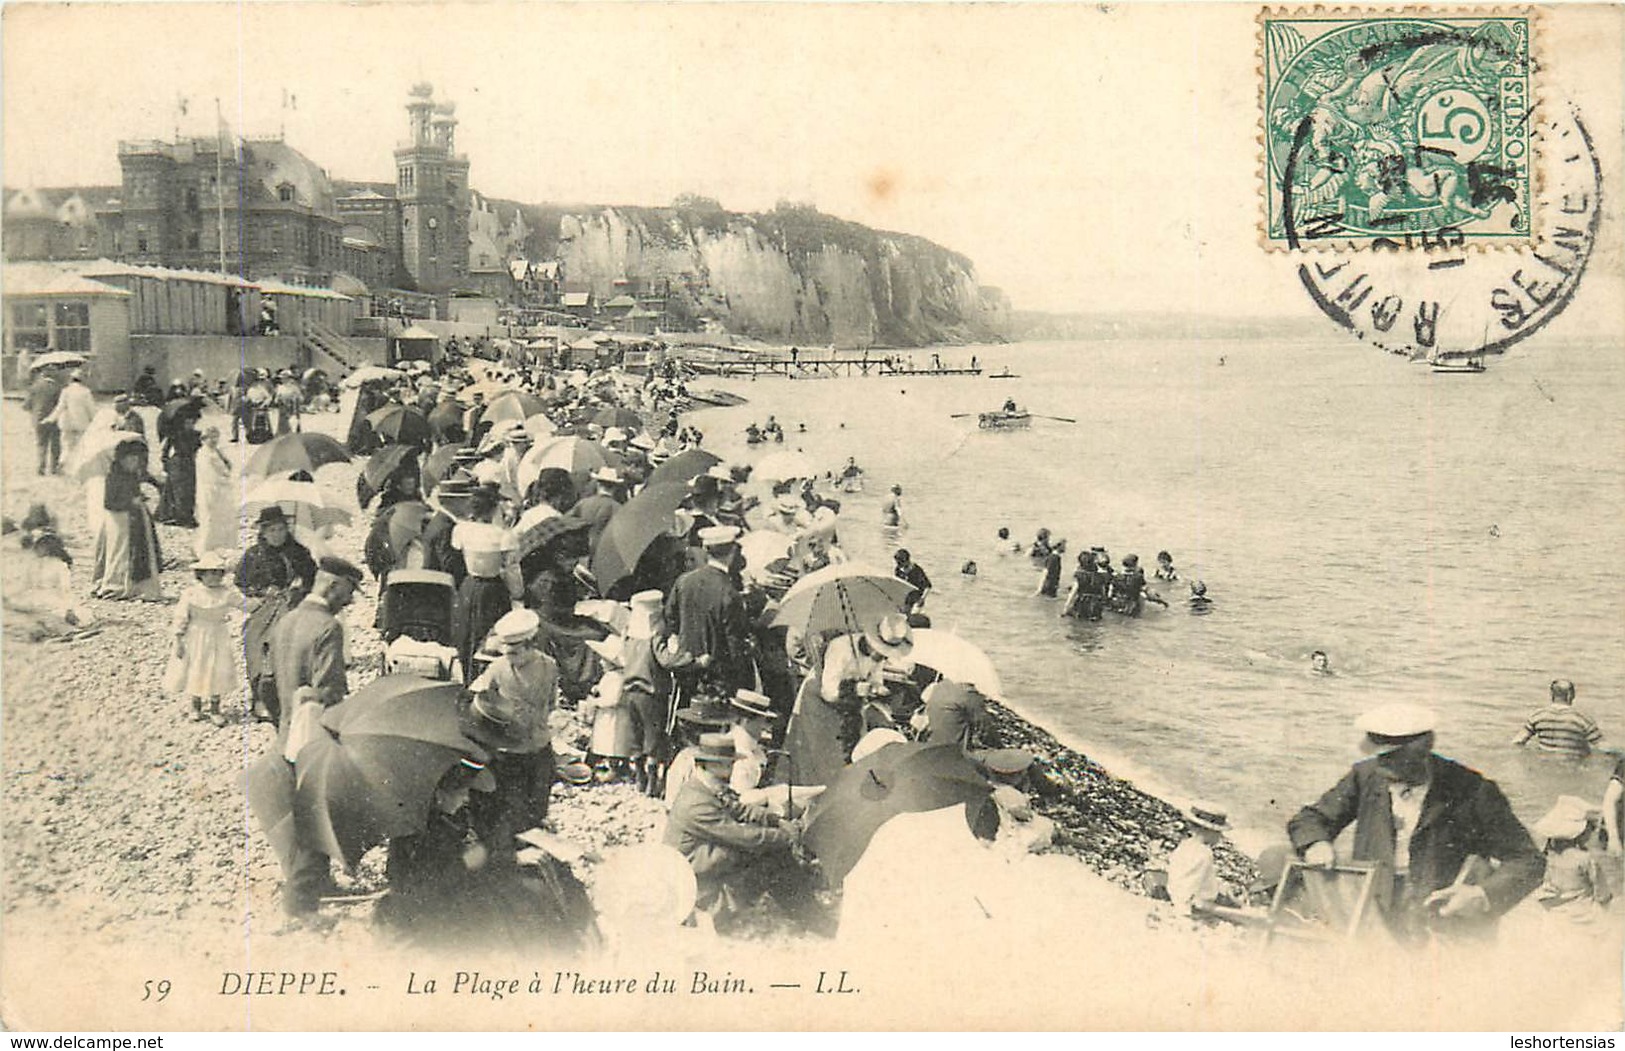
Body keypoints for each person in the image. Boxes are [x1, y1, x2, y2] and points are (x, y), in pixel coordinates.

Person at [1287, 702, 1545, 942]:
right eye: (1378, 756)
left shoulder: (1472, 790)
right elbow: (1311, 818)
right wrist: (1316, 844)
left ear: (1424, 746)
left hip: (1444, 921)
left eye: (1391, 757)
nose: (1381, 765)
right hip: (1374, 910)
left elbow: (1528, 860)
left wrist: (1482, 895)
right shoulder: (1365, 776)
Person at [269, 556, 363, 923]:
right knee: (319, 808)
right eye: (349, 591)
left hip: (287, 728)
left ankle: (318, 882)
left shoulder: (287, 619)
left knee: (299, 805)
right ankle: (301, 903)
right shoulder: (329, 627)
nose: (350, 601)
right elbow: (330, 688)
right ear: (333, 585)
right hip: (315, 729)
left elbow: (268, 679)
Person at [662, 732, 827, 935]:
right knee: (771, 859)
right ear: (707, 764)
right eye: (726, 764)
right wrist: (787, 836)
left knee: (772, 851)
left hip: (706, 865)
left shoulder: (704, 786)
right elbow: (742, 836)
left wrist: (776, 820)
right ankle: (815, 919)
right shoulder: (696, 802)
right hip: (696, 888)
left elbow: (740, 809)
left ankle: (808, 909)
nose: (731, 770)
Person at [464, 609, 561, 835]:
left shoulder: (549, 665)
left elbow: (551, 702)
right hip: (508, 750)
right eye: (507, 652)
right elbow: (477, 698)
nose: (510, 658)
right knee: (509, 807)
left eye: (515, 653)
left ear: (530, 645)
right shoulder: (497, 668)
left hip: (538, 746)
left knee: (537, 806)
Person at [237, 506, 319, 723]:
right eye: (272, 530)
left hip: (294, 606)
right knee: (256, 644)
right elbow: (241, 583)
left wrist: (301, 587)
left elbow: (313, 578)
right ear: (263, 532)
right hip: (265, 608)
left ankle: (295, 696)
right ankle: (260, 698)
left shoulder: (299, 552)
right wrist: (262, 591)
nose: (277, 535)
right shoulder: (254, 555)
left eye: (281, 529)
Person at [665, 525, 754, 702]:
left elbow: (670, 620)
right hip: (717, 680)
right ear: (733, 552)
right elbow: (734, 645)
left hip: (686, 669)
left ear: (706, 550)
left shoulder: (684, 581)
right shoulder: (729, 593)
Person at [451, 485, 523, 683]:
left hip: (469, 585)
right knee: (491, 636)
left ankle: (468, 677)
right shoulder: (502, 535)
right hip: (493, 588)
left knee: (467, 632)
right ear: (494, 509)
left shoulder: (462, 530)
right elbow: (511, 569)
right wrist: (517, 593)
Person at [165, 551, 240, 726]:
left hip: (218, 634)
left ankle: (215, 709)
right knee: (197, 668)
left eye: (217, 573)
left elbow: (246, 605)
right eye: (209, 573)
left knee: (217, 669)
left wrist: (263, 601)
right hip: (196, 634)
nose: (214, 577)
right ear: (201, 575)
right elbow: (180, 617)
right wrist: (178, 639)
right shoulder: (191, 594)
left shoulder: (226, 593)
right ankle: (195, 707)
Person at [90, 439, 164, 601]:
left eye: (136, 459)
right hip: (119, 522)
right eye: (130, 459)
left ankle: (138, 587)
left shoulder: (132, 476)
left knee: (140, 551)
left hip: (135, 518)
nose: (133, 462)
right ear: (121, 460)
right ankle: (117, 584)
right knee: (120, 553)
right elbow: (109, 503)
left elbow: (133, 492)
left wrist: (139, 497)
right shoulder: (112, 477)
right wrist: (130, 502)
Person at [1529, 796, 1612, 925]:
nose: (1593, 832)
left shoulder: (1548, 857)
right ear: (1581, 832)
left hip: (1553, 919)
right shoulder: (1585, 859)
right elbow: (1603, 895)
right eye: (1591, 828)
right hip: (1583, 919)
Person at [1166, 802, 1239, 917]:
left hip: (1178, 894)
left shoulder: (1185, 845)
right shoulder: (1204, 853)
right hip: (1199, 906)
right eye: (1218, 832)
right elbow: (1189, 893)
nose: (1220, 836)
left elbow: (1186, 878)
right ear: (1209, 831)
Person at [1512, 679, 1605, 757]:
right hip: (1573, 767)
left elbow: (1517, 742)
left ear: (1552, 694)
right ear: (1570, 695)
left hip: (1544, 763)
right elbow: (1603, 748)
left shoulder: (1538, 716)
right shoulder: (1583, 719)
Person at [570, 467, 624, 555]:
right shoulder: (619, 508)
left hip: (581, 552)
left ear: (598, 484)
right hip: (604, 553)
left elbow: (567, 521)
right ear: (615, 487)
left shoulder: (583, 503)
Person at [47, 370, 96, 464]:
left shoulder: (65, 391)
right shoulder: (85, 392)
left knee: (66, 445)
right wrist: (94, 420)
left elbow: (60, 407)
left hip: (67, 423)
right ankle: (77, 464)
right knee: (81, 445)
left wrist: (50, 418)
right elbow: (91, 408)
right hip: (82, 423)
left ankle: (63, 462)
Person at [25, 366, 63, 476]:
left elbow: (26, 405)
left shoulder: (34, 387)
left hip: (38, 419)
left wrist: (34, 412)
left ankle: (41, 468)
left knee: (41, 444)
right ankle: (54, 468)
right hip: (53, 419)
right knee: (55, 444)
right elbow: (60, 405)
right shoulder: (58, 388)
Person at [893, 549, 932, 613]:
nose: (900, 565)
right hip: (904, 598)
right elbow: (897, 584)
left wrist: (922, 598)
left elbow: (928, 586)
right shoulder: (898, 570)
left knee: (913, 615)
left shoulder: (916, 570)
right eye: (898, 562)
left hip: (916, 599)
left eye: (901, 562)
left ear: (907, 560)